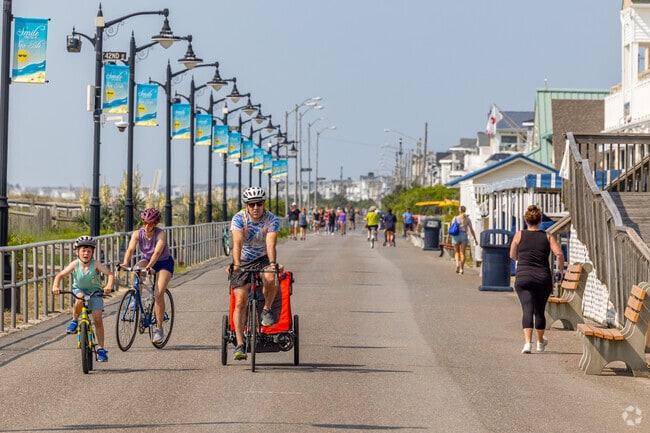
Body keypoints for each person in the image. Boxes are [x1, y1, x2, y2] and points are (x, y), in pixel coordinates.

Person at [229, 186, 282, 361]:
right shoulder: (239, 218)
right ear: (246, 206)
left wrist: (273, 264)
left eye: (259, 204)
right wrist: (237, 264)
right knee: (240, 301)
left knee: (270, 277)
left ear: (264, 204)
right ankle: (239, 344)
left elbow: (270, 244)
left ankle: (266, 309)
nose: (255, 208)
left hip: (263, 258)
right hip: (243, 260)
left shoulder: (271, 219)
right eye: (251, 204)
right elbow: (236, 242)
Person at [509, 205, 565, 354]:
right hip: (542, 278)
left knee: (527, 310)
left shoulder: (519, 235)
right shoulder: (547, 236)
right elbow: (559, 254)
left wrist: (522, 259)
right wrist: (560, 270)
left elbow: (512, 255)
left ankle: (527, 344)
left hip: (523, 277)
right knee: (539, 311)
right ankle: (540, 343)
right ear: (540, 220)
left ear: (526, 220)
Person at [52, 236, 114, 362]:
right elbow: (60, 275)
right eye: (83, 250)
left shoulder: (95, 264)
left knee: (97, 318)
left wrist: (108, 286)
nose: (86, 253)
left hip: (95, 292)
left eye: (89, 251)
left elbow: (110, 274)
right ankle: (74, 321)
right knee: (79, 298)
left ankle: (101, 349)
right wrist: (55, 286)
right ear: (77, 252)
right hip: (79, 290)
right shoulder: (75, 264)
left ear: (93, 253)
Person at [119, 207, 174, 345]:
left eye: (150, 223)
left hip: (163, 263)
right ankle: (136, 296)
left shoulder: (161, 234)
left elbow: (157, 252)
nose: (146, 226)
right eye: (144, 222)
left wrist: (150, 267)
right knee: (136, 270)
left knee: (158, 293)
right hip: (146, 259)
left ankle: (159, 329)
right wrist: (125, 263)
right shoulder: (138, 234)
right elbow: (131, 249)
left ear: (155, 224)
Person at [450, 205, 477, 275]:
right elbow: (471, 230)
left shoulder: (455, 218)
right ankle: (461, 269)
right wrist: (475, 239)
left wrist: (448, 236)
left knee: (456, 252)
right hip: (464, 235)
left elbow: (452, 227)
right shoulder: (468, 219)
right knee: (462, 253)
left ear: (459, 210)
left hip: (456, 235)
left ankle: (457, 265)